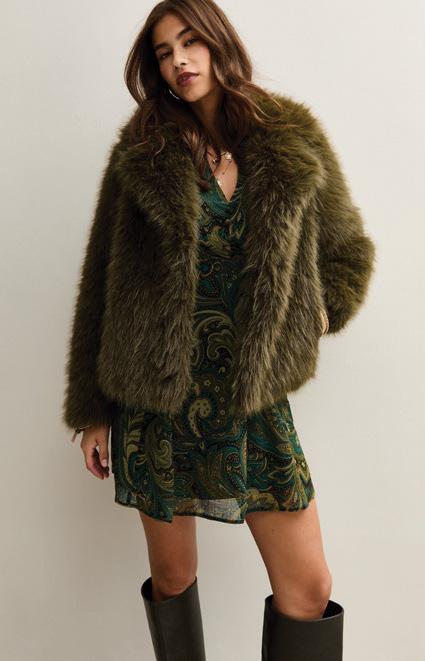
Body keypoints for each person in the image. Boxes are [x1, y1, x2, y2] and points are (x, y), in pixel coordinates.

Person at [62, 1, 376, 659]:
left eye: (190, 42)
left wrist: (315, 317)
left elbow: (347, 252)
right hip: (158, 399)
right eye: (163, 52)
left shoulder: (287, 136)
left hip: (251, 398)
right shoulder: (142, 152)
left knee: (309, 587)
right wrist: (91, 411)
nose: (179, 60)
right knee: (174, 578)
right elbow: (100, 283)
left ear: (217, 42)